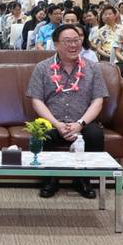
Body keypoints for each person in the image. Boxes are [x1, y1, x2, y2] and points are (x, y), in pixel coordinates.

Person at [26, 23, 109, 200]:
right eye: (67, 41)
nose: (73, 45)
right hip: (52, 121)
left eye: (77, 40)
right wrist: (57, 124)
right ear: (56, 44)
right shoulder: (42, 67)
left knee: (95, 134)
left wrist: (80, 124)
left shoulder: (93, 68)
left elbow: (98, 100)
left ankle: (83, 180)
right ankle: (49, 179)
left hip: (82, 121)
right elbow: (37, 100)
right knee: (40, 134)